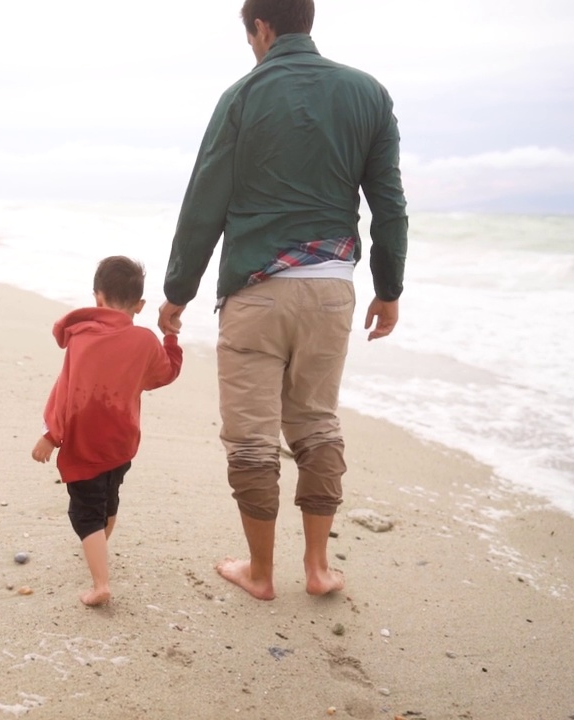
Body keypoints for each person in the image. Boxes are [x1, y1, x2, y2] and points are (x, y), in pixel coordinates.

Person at [158, 0, 408, 600]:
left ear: (261, 28)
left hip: (256, 291)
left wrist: (177, 292)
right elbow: (389, 203)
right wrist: (389, 288)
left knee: (250, 438)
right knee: (317, 424)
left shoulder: (241, 97)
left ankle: (262, 573)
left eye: (249, 38)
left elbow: (205, 202)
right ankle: (319, 570)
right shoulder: (369, 93)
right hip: (331, 290)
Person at [33, 256, 184, 606]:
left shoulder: (82, 339)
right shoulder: (146, 341)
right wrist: (171, 337)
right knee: (108, 500)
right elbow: (166, 373)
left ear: (97, 299)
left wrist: (51, 435)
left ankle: (100, 582)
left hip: (86, 442)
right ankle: (99, 547)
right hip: (122, 441)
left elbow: (66, 392)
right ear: (140, 305)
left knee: (84, 513)